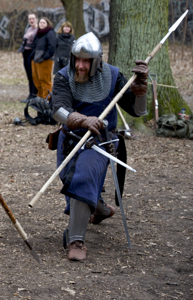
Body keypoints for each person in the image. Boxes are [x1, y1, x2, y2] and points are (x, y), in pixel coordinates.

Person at [50, 32, 148, 261]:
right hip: (71, 139)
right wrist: (83, 120)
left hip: (101, 141)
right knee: (71, 180)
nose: (80, 66)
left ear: (97, 62)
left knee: (82, 178)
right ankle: (99, 208)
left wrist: (141, 90)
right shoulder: (64, 76)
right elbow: (58, 110)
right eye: (77, 60)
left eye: (86, 61)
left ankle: (76, 240)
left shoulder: (113, 76)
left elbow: (138, 111)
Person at [31, 17, 56, 101]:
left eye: (43, 23)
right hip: (36, 60)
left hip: (45, 61)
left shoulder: (50, 33)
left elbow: (52, 48)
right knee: (37, 81)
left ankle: (48, 100)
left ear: (47, 24)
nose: (41, 24)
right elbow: (34, 46)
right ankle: (41, 100)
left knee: (45, 81)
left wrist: (44, 57)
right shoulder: (38, 33)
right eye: (40, 23)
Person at [18, 11, 38, 103]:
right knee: (29, 75)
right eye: (30, 19)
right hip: (25, 52)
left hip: (32, 53)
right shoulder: (29, 29)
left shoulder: (37, 29)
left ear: (36, 19)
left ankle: (34, 95)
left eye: (33, 18)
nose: (31, 20)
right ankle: (30, 94)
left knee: (33, 74)